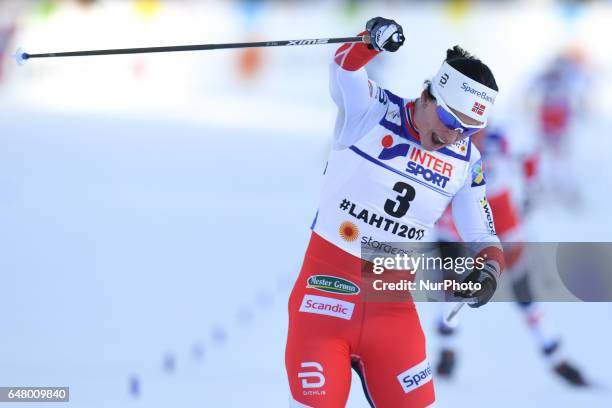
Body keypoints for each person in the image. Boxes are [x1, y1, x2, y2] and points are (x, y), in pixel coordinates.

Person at [285, 17, 504, 407]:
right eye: (451, 120)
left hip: (392, 314)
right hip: (324, 300)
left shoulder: (466, 161)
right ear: (427, 95)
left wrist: (486, 272)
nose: (453, 137)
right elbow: (343, 67)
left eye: (468, 130)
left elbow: (484, 238)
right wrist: (369, 41)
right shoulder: (370, 110)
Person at [433, 126, 588, 386]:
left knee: (521, 283)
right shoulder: (446, 136)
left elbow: (530, 155)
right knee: (450, 282)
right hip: (457, 214)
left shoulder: (499, 137)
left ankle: (553, 351)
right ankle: (447, 349)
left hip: (500, 212)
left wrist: (530, 191)